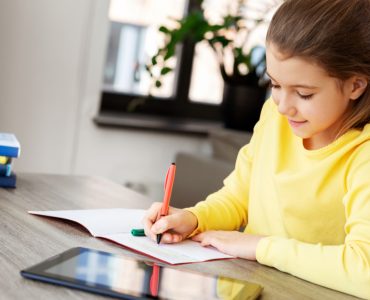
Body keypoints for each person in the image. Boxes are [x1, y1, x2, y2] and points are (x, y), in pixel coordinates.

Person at [143, 0, 370, 298]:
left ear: (356, 85)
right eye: (275, 85)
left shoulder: (362, 154)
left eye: (303, 93)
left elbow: (363, 270)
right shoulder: (274, 119)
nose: (284, 106)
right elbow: (239, 197)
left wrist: (260, 247)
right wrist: (194, 218)